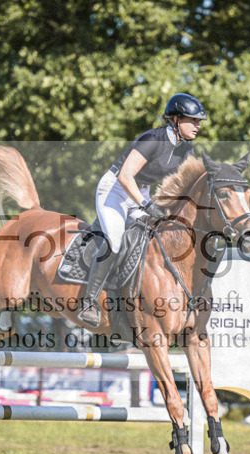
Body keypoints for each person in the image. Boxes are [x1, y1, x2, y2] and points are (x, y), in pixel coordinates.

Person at [76, 93, 207, 327]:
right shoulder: (152, 139)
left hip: (141, 191)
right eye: (193, 120)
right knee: (115, 241)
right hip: (115, 188)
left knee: (156, 238)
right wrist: (146, 206)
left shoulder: (186, 151)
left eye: (199, 122)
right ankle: (90, 301)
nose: (197, 126)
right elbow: (126, 176)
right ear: (176, 119)